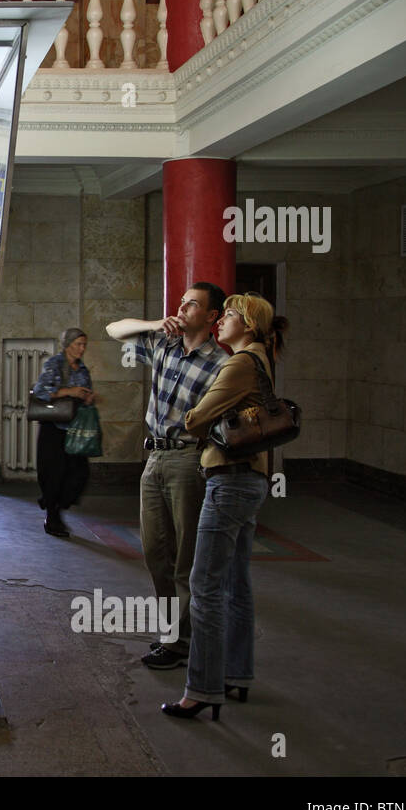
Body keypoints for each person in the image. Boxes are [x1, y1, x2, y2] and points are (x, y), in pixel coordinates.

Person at [162, 293, 289, 720]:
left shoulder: (238, 363)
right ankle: (237, 675)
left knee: (205, 588)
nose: (223, 321)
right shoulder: (260, 360)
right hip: (250, 480)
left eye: (230, 315)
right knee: (236, 583)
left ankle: (201, 690)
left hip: (229, 480)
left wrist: (195, 417)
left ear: (248, 326)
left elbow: (195, 419)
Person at [105, 282, 228, 669]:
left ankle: (183, 642)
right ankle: (173, 633)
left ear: (211, 317)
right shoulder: (164, 345)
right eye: (182, 302)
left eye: (193, 305)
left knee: (185, 556)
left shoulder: (219, 363)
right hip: (154, 459)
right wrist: (159, 323)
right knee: (155, 551)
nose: (183, 307)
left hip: (188, 460)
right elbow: (114, 330)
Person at [30, 328, 94, 538]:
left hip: (74, 427)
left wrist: (87, 397)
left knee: (79, 474)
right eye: (78, 344)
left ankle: (54, 504)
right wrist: (69, 391)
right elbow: (40, 390)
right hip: (54, 427)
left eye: (84, 344)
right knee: (54, 473)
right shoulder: (55, 364)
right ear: (67, 344)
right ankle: (52, 515)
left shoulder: (83, 369)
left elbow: (86, 391)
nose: (82, 349)